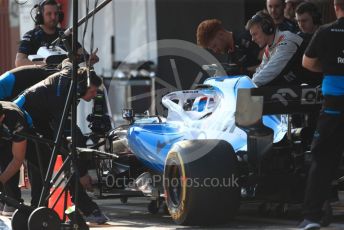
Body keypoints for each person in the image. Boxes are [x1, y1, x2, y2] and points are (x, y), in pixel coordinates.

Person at [14, 62, 107, 224]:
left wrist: (86, 62)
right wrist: (83, 173)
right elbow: (71, 137)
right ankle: (85, 209)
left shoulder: (70, 77)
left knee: (48, 162)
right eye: (92, 91)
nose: (93, 95)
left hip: (38, 119)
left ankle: (39, 207)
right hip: (23, 120)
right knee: (50, 163)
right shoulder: (62, 97)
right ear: (80, 87)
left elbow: (68, 62)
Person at [298, 0, 344, 229]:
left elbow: (307, 62)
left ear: (336, 7)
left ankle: (312, 218)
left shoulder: (325, 31)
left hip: (334, 105)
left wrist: (328, 67)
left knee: (321, 158)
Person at [15, 0, 98, 67]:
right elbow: (19, 62)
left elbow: (82, 54)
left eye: (56, 13)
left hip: (65, 82)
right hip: (40, 81)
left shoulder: (66, 34)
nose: (53, 17)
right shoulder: (30, 36)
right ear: (40, 17)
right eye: (49, 14)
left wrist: (89, 59)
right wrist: (46, 65)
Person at [246, 11, 303, 87]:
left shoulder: (287, 40)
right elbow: (260, 71)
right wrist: (248, 84)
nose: (252, 39)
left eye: (255, 34)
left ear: (267, 28)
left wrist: (247, 87)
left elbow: (270, 71)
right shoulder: (268, 49)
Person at [196, 19, 262, 75]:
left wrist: (242, 71)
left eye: (214, 46)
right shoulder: (230, 53)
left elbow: (269, 63)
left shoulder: (245, 38)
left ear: (220, 34)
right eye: (212, 49)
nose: (215, 51)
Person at [0, 101, 29, 216]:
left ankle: (13, 201)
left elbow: (18, 159)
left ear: (1, 118)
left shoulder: (15, 120)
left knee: (9, 160)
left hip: (27, 129)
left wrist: (1, 181)